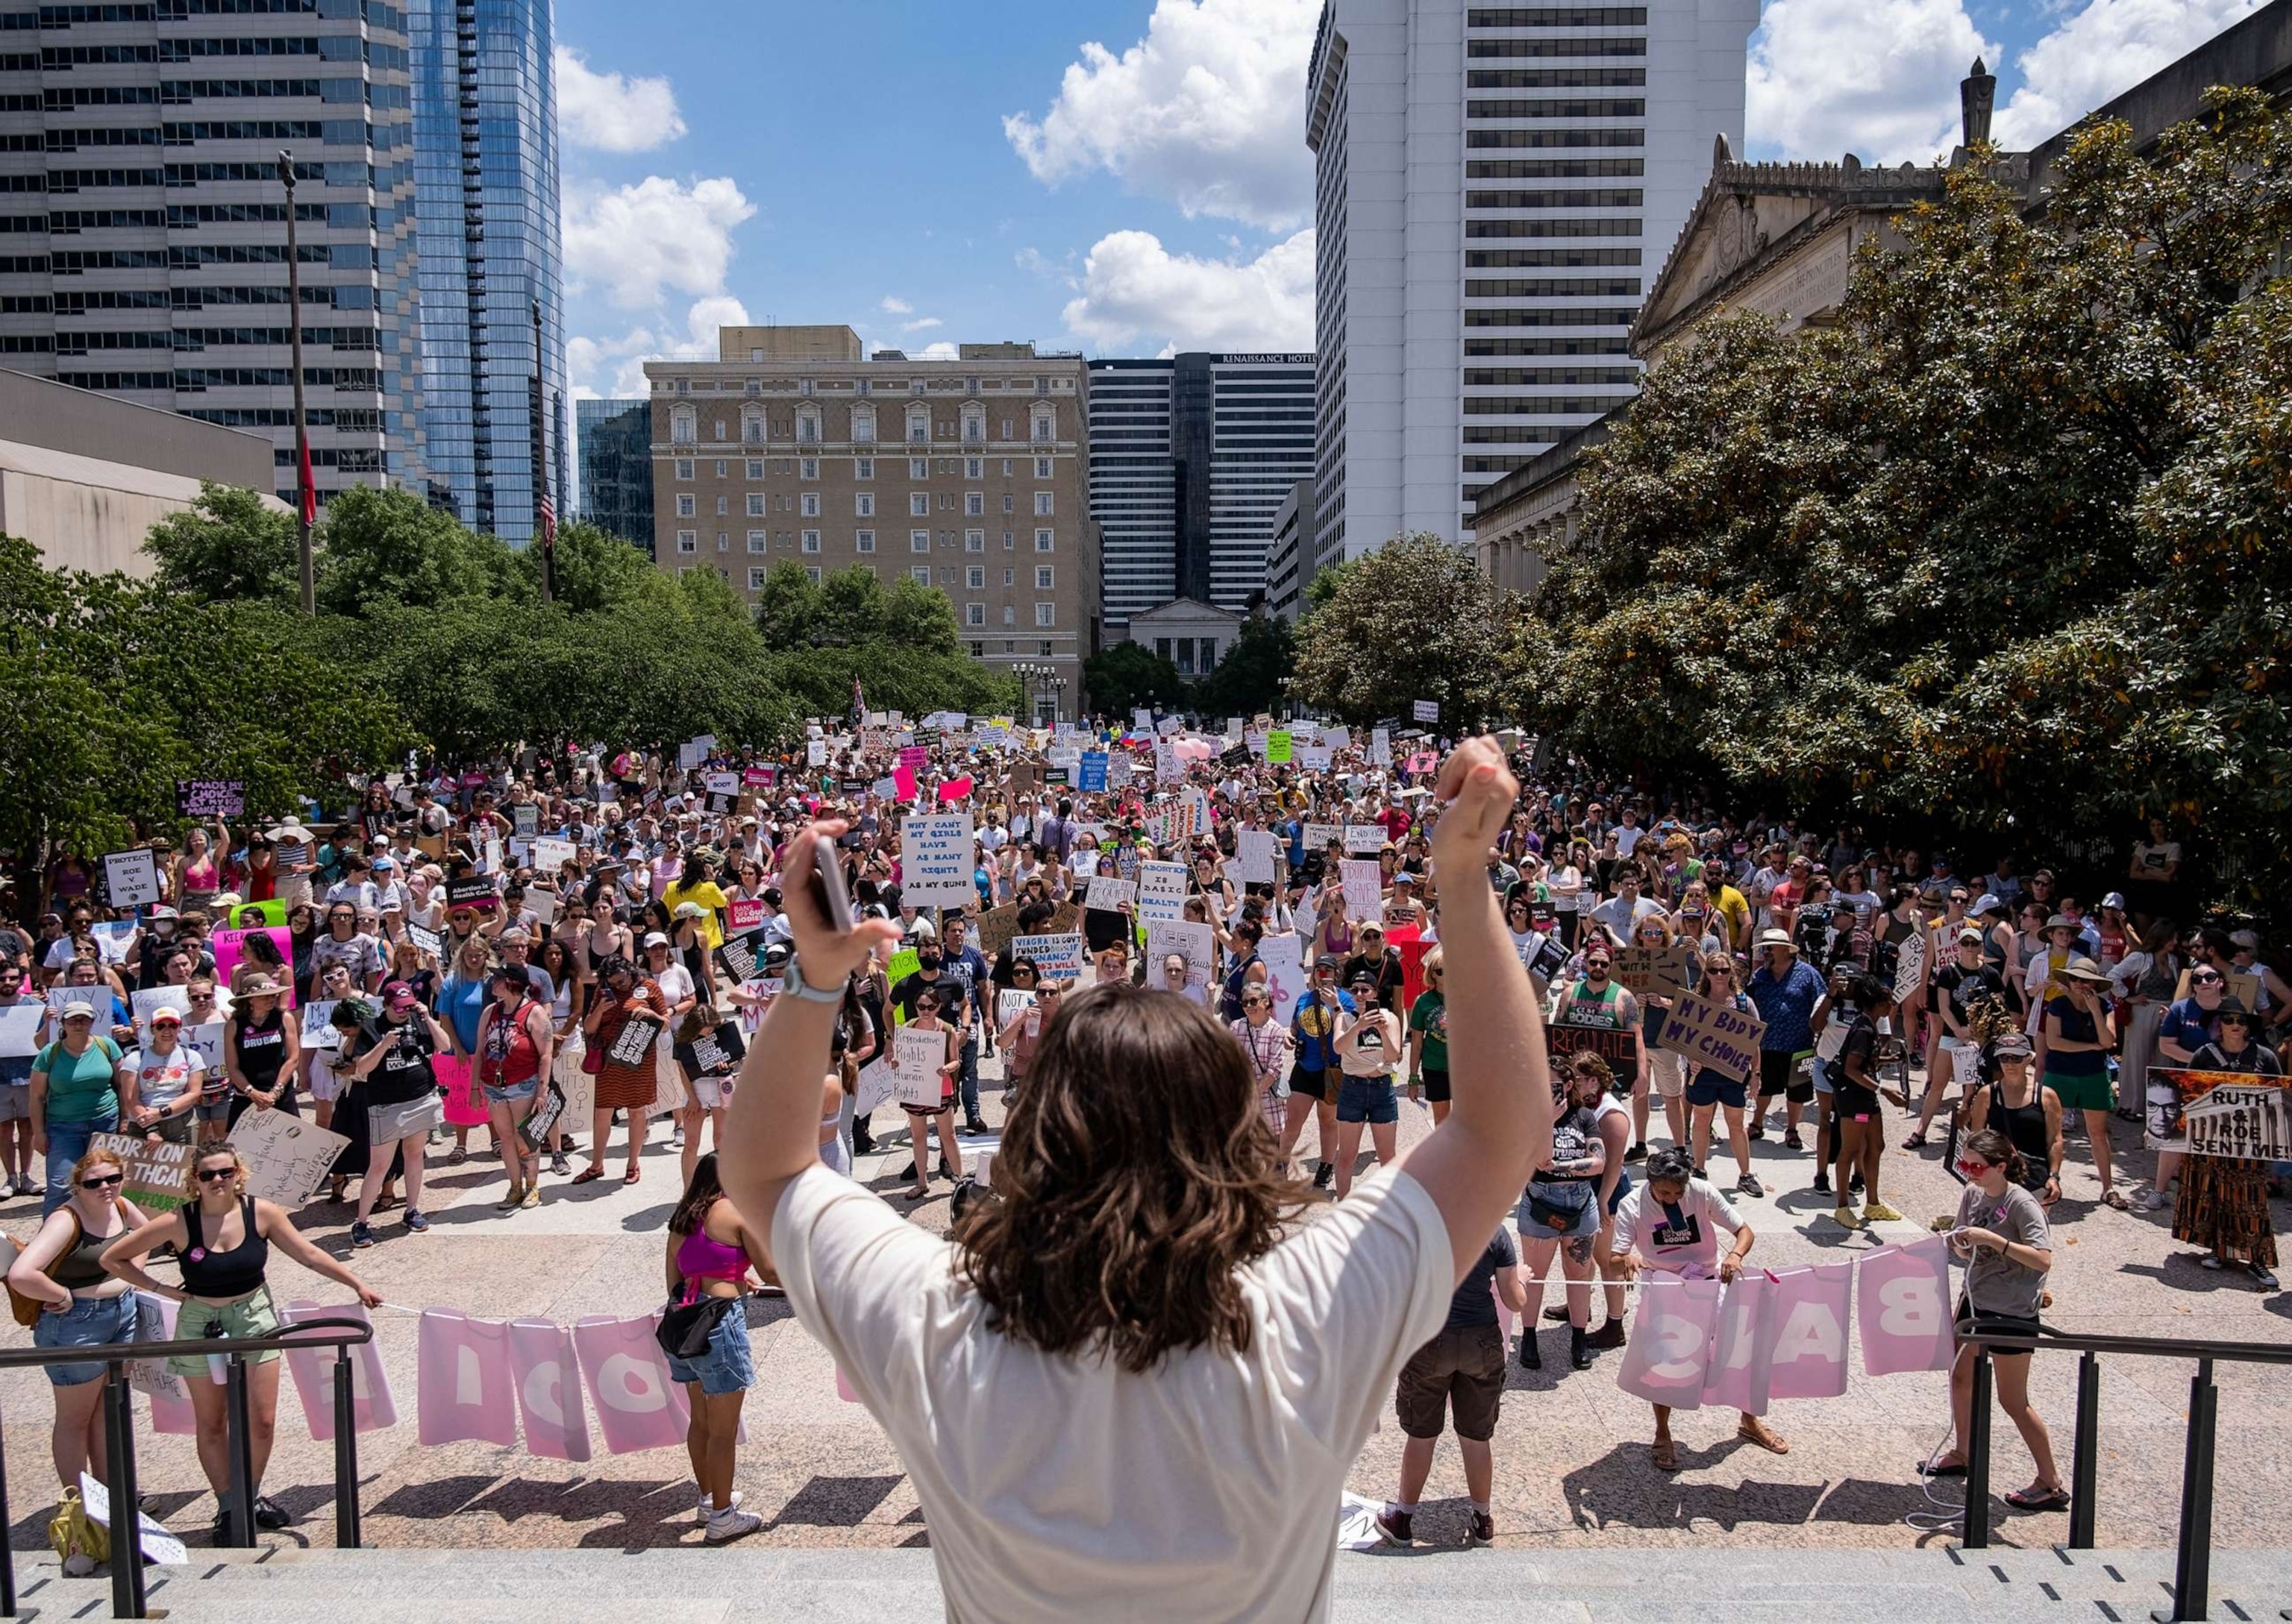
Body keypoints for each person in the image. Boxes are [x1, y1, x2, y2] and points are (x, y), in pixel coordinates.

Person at [716, 738, 1553, 1620]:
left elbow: (765, 1170)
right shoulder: (1315, 1309)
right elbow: (1500, 1132)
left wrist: (815, 978)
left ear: (1032, 1138)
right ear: (1231, 1143)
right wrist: (1463, 873)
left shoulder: (936, 1325)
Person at [101, 1141, 382, 1540]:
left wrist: (357, 1283)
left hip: (254, 1316)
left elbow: (308, 1254)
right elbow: (112, 1258)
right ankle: (229, 1506)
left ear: (239, 1174)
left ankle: (249, 1497)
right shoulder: (179, 1220)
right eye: (207, 1175)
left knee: (262, 1420)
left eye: (225, 1173)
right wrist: (163, 1288)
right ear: (194, 1181)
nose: (217, 1180)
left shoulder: (261, 1212)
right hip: (200, 1321)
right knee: (214, 1422)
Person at [1608, 1146, 1789, 1470]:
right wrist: (1628, 1259)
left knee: (1738, 1350)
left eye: (1679, 1192)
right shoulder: (1631, 1205)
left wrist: (1735, 1256)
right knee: (1666, 1362)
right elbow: (1614, 1258)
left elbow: (1744, 1231)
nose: (1673, 1198)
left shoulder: (1702, 1192)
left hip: (1709, 1279)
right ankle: (1663, 1433)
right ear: (1650, 1182)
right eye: (1665, 1192)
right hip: (1664, 1286)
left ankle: (1750, 1420)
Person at [1919, 1129, 2068, 1512]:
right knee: (1960, 1375)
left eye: (1976, 1166)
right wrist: (1959, 1241)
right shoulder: (1972, 1192)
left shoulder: (2022, 1204)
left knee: (2012, 1399)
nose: (1969, 1172)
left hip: (2012, 1310)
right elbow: (1961, 1241)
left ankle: (2050, 1481)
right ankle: (1962, 1452)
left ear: (2001, 1166)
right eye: (1964, 1164)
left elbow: (2043, 1258)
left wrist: (1993, 1240)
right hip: (1976, 1298)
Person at [7, 1145, 151, 1492]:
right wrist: (62, 1296)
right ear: (77, 1187)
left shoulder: (120, 1205)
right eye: (94, 1183)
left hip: (122, 1314)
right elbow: (21, 1274)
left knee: (108, 1411)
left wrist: (135, 1274)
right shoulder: (65, 1219)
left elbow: (148, 1234)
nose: (105, 1187)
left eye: (113, 1179)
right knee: (76, 1420)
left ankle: (111, 1494)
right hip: (76, 1325)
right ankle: (79, 1506)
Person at [1373, 1219, 1526, 1548]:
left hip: (1430, 1340)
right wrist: (1522, 1280)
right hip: (1481, 1343)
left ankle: (1402, 1519)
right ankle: (1483, 1519)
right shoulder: (1495, 1232)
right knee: (1476, 1438)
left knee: (1421, 1436)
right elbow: (1514, 1300)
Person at [663, 1151, 767, 1542]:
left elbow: (677, 1281)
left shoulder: (680, 1221)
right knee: (724, 1431)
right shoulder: (737, 1214)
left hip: (685, 1328)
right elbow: (772, 1268)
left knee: (700, 1421)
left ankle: (709, 1500)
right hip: (721, 1327)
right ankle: (724, 1517)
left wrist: (738, 1277)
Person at [2173, 1000, 2280, 1289]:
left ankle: (2258, 1258)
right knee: (2215, 1195)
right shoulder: (2204, 1054)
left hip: (2250, 1141)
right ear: (2219, 1023)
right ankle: (2219, 1250)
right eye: (2230, 1019)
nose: (2236, 1025)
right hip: (2211, 1139)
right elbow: (2187, 1094)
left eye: (2242, 1021)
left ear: (2249, 1027)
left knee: (2251, 1200)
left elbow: (2279, 1098)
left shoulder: (2265, 1057)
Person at [341, 981, 453, 1247]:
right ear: (386, 1005)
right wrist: (384, 1044)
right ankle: (361, 1222)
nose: (404, 1013)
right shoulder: (371, 1027)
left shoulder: (419, 1019)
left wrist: (427, 1018)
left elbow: (445, 1045)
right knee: (380, 1164)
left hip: (421, 1097)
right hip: (386, 1104)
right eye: (398, 1008)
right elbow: (363, 1069)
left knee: (414, 1155)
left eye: (408, 1007)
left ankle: (412, 1209)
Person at [1516, 1055, 1605, 1372]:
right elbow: (1540, 1161)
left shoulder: (1584, 1116)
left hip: (1580, 1207)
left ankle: (1578, 1338)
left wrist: (1562, 1167)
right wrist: (1548, 1122)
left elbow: (1597, 1163)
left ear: (1568, 1086)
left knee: (1579, 1276)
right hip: (1541, 1204)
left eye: (1551, 1085)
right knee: (1535, 1275)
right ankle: (1528, 1336)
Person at [28, 1000, 128, 1217]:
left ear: (92, 1021)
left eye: (84, 1018)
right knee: (61, 1186)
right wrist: (39, 1133)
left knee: (107, 1182)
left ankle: (109, 1232)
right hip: (63, 1127)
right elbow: (36, 1097)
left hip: (105, 1123)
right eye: (73, 1019)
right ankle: (55, 1242)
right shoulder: (49, 1053)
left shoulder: (107, 1046)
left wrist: (124, 1119)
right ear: (63, 1023)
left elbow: (123, 1086)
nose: (78, 1023)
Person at [580, 953, 670, 1186]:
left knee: (636, 1111)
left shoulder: (649, 987)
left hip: (637, 1057)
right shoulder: (603, 991)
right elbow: (589, 1028)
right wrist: (600, 1009)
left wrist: (650, 1014)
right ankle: (596, 1164)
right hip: (610, 1058)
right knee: (602, 1112)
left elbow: (665, 1025)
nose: (619, 986)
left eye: (622, 981)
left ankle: (633, 1164)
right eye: (614, 983)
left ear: (631, 971)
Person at [1827, 975, 1906, 1228]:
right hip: (1853, 1099)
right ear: (1877, 1004)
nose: (1892, 1006)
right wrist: (1885, 1090)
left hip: (1866, 1096)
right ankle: (1842, 1207)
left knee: (1877, 1145)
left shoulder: (1869, 1025)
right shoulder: (1863, 1029)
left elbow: (1863, 1062)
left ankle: (1873, 1204)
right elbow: (1851, 1069)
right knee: (1849, 1151)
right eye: (1888, 1002)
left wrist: (1886, 1060)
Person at [2044, 957, 2122, 1208]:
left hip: (2093, 1075)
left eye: (2084, 980)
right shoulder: (2057, 1005)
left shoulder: (2105, 1006)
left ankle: (2108, 1188)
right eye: (2075, 979)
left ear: (2094, 983)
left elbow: (2108, 1041)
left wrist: (2097, 1012)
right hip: (2060, 1073)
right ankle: (2047, 1180)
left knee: (2098, 1133)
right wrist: (2090, 1047)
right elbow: (2054, 1043)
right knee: (2051, 1130)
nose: (2079, 984)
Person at [475, 963, 552, 1211]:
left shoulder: (534, 1012)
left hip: (524, 1083)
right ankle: (514, 1186)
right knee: (506, 1136)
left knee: (523, 1138)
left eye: (498, 978)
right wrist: (474, 1087)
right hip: (494, 1084)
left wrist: (542, 1090)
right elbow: (480, 1052)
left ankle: (532, 1186)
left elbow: (546, 1054)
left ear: (511, 983)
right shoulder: (490, 1011)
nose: (492, 982)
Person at [1683, 953, 1761, 1194]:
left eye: (1724, 970)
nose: (1719, 975)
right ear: (1706, 973)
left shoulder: (1743, 1003)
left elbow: (1754, 1041)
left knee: (1736, 1123)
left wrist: (1756, 1074)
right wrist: (1690, 1059)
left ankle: (1745, 1175)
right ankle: (1699, 1171)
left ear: (1731, 973)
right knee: (1702, 1121)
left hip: (1733, 1073)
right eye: (1714, 970)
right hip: (1703, 1072)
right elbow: (1683, 1034)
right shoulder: (1696, 1001)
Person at [1964, 1031, 2064, 1208]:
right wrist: (1973, 1175)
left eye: (2016, 1058)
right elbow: (1975, 1139)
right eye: (2004, 1058)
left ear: (2028, 1059)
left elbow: (2055, 1140)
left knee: (2031, 1233)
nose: (2009, 1064)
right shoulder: (1987, 1094)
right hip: (1997, 1175)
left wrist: (2054, 1177)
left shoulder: (2046, 1096)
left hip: (2034, 1176)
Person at [1278, 955, 1353, 1190]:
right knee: (1291, 1121)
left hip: (1332, 1069)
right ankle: (1279, 1165)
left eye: (1327, 970)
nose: (1322, 974)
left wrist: (1335, 1007)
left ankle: (1326, 1165)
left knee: (1328, 1120)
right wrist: (1288, 1036)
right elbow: (1295, 1026)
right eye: (1318, 970)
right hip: (1305, 1068)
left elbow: (1351, 1030)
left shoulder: (1346, 1000)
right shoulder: (1304, 998)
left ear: (1336, 974)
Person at [1329, 970, 1402, 1200]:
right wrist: (1358, 1026)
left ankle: (1390, 1210)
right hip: (1353, 1087)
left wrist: (1381, 1031)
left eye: (1365, 990)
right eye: (1355, 990)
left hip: (1381, 1086)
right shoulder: (1344, 1018)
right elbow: (1338, 1048)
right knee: (1347, 1155)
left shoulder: (1389, 1018)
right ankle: (1343, 1209)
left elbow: (1393, 1055)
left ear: (1375, 993)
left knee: (1387, 1156)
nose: (1359, 995)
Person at [895, 986, 963, 1200]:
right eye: (921, 1006)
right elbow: (900, 1058)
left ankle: (960, 1181)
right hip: (916, 1090)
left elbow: (956, 1060)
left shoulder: (947, 1030)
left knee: (949, 1136)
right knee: (918, 1136)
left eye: (931, 1007)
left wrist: (947, 1068)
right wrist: (896, 1062)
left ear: (939, 1007)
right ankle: (922, 1183)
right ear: (915, 1006)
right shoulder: (907, 1028)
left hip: (940, 1090)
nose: (926, 1011)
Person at [1229, 983, 1291, 1143]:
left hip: (1267, 1098)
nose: (1249, 1006)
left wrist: (1254, 1095)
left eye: (1253, 1001)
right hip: (1241, 1097)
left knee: (1271, 1151)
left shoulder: (1276, 1030)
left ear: (1266, 1001)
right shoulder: (1236, 1027)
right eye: (1245, 1002)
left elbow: (1274, 1068)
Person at [1406, 949, 1453, 1126]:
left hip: (1463, 1068)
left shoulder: (1467, 998)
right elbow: (1417, 1043)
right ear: (1433, 974)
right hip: (1434, 1067)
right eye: (1441, 971)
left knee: (1466, 1124)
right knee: (1443, 1124)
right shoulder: (1423, 1002)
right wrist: (1413, 1078)